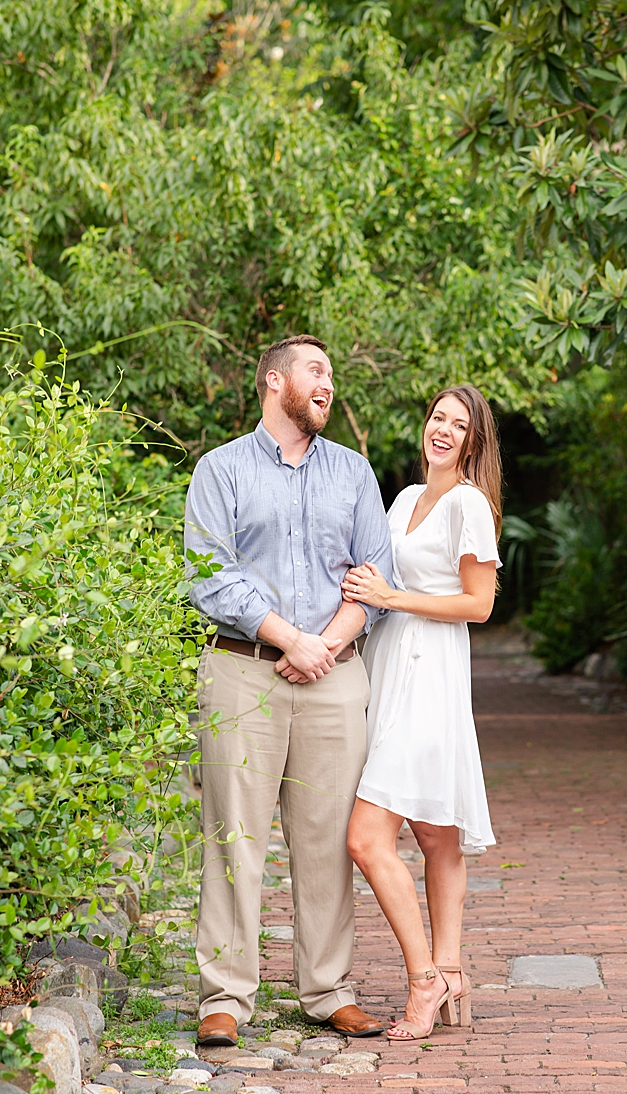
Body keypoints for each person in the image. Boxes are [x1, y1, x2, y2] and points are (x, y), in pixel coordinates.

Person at [185, 334, 395, 1046]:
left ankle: (330, 989)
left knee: (329, 842)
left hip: (336, 677)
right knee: (233, 836)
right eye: (316, 371)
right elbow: (210, 573)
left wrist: (324, 645)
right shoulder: (221, 470)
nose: (328, 383)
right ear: (275, 381)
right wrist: (288, 637)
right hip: (242, 671)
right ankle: (224, 997)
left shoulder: (355, 473)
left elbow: (374, 577)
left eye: (332, 374)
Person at [341, 384, 501, 1040]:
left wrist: (394, 597)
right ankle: (452, 967)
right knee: (435, 834)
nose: (443, 429)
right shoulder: (406, 498)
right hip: (390, 669)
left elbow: (479, 605)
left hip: (431, 676)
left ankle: (424, 981)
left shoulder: (469, 504)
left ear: (473, 441)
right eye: (438, 416)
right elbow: (378, 577)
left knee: (366, 838)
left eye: (458, 425)